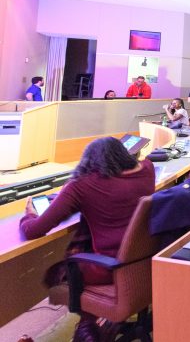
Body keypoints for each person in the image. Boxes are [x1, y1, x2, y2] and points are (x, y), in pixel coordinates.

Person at [19, 137, 155, 341]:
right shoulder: (148, 169)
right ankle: (92, 325)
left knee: (57, 272)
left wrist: (29, 214)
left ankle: (88, 324)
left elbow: (34, 230)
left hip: (108, 269)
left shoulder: (82, 186)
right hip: (146, 263)